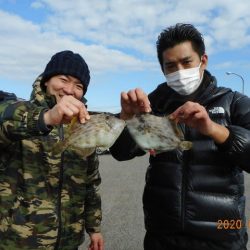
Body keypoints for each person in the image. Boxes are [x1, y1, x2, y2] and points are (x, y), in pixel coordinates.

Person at [110, 23, 250, 250]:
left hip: (223, 237)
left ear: (203, 60)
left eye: (186, 62)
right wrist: (127, 119)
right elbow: (121, 153)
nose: (180, 72)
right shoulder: (152, 105)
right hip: (162, 236)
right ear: (163, 69)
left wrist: (214, 129)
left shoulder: (233, 102)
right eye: (171, 66)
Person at [0, 50, 104, 250]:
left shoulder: (83, 126)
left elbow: (90, 183)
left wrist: (94, 228)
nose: (70, 90)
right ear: (46, 81)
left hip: (69, 242)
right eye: (63, 79)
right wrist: (47, 118)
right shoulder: (17, 110)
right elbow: (5, 123)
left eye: (79, 85)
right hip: (17, 241)